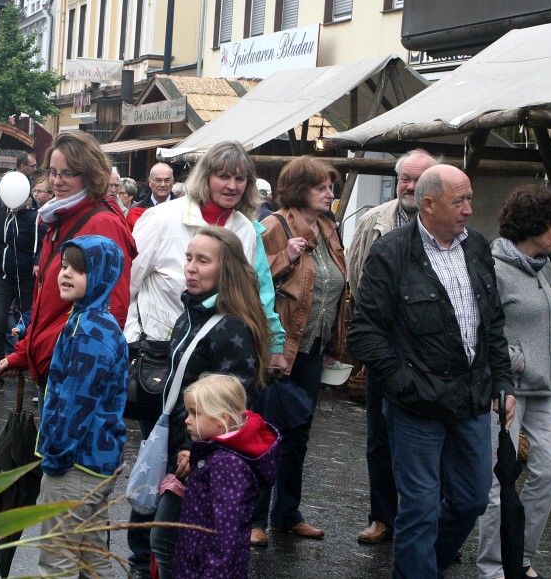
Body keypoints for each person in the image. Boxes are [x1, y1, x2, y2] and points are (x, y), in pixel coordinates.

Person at [124, 141, 284, 579]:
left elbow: (256, 290)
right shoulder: (165, 217)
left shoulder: (245, 232)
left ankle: (157, 562)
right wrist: (131, 337)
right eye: (223, 175)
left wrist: (273, 340)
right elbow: (130, 279)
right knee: (155, 471)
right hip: (163, 354)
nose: (231, 185)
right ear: (205, 177)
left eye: (240, 178)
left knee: (182, 513)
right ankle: (142, 561)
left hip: (204, 401)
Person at [348, 164, 515, 579]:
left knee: (472, 498)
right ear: (428, 204)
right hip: (416, 406)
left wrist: (503, 382)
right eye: (459, 201)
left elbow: (492, 323)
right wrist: (404, 383)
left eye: (469, 199)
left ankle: (425, 564)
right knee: (420, 506)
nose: (469, 209)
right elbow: (365, 334)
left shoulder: (476, 247)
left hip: (471, 399)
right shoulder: (392, 253)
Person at [150, 225, 270, 579]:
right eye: (189, 258)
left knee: (166, 542)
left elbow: (229, 406)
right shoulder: (191, 313)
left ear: (225, 269)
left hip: (201, 456)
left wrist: (193, 448)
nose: (191, 267)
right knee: (169, 543)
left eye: (203, 260)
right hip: (181, 447)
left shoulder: (231, 328)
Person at [250, 155, 347, 545]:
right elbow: (251, 280)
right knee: (267, 432)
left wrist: (334, 341)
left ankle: (287, 514)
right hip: (278, 347)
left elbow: (334, 285)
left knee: (299, 431)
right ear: (298, 189)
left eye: (330, 187)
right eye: (321, 187)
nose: (329, 193)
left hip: (311, 347)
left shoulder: (329, 227)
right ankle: (255, 519)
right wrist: (284, 258)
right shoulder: (274, 225)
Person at [0, 130, 135, 391]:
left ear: (90, 174)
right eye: (53, 172)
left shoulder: (101, 223)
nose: (56, 181)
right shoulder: (61, 216)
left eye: (67, 173)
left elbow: (113, 307)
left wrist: (81, 370)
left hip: (72, 371)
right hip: (54, 363)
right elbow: (46, 304)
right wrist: (24, 353)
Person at [477, 185, 551, 579]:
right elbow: (484, 330)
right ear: (532, 225)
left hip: (545, 388)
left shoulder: (542, 266)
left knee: (550, 473)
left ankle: (521, 557)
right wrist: (516, 362)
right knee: (500, 482)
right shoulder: (495, 269)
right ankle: (493, 567)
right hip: (508, 389)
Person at [346, 148, 438, 545]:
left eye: (420, 180)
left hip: (433, 352)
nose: (410, 186)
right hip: (386, 347)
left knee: (432, 439)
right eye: (405, 179)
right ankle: (382, 517)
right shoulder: (375, 221)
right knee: (381, 435)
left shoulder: (449, 225)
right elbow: (356, 275)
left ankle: (429, 525)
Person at [36, 236, 128, 579]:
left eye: (79, 269)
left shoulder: (90, 331)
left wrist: (56, 456)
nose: (65, 274)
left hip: (75, 463)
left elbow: (77, 402)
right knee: (94, 558)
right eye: (64, 266)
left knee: (57, 561)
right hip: (97, 462)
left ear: (102, 274)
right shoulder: (93, 320)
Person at [173, 373, 280, 579]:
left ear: (224, 418)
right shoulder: (216, 453)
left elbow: (227, 527)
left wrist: (215, 571)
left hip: (210, 568)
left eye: (195, 413)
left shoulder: (227, 464)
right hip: (196, 557)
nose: (187, 420)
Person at [0, 172, 45, 396]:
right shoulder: (3, 210)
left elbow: (42, 243)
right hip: (2, 277)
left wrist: (37, 262)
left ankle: (35, 380)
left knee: (30, 328)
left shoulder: (35, 216)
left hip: (26, 279)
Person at [127, 162, 175, 227]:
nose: (163, 185)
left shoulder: (183, 209)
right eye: (158, 180)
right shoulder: (136, 210)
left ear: (172, 182)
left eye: (167, 180)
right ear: (150, 182)